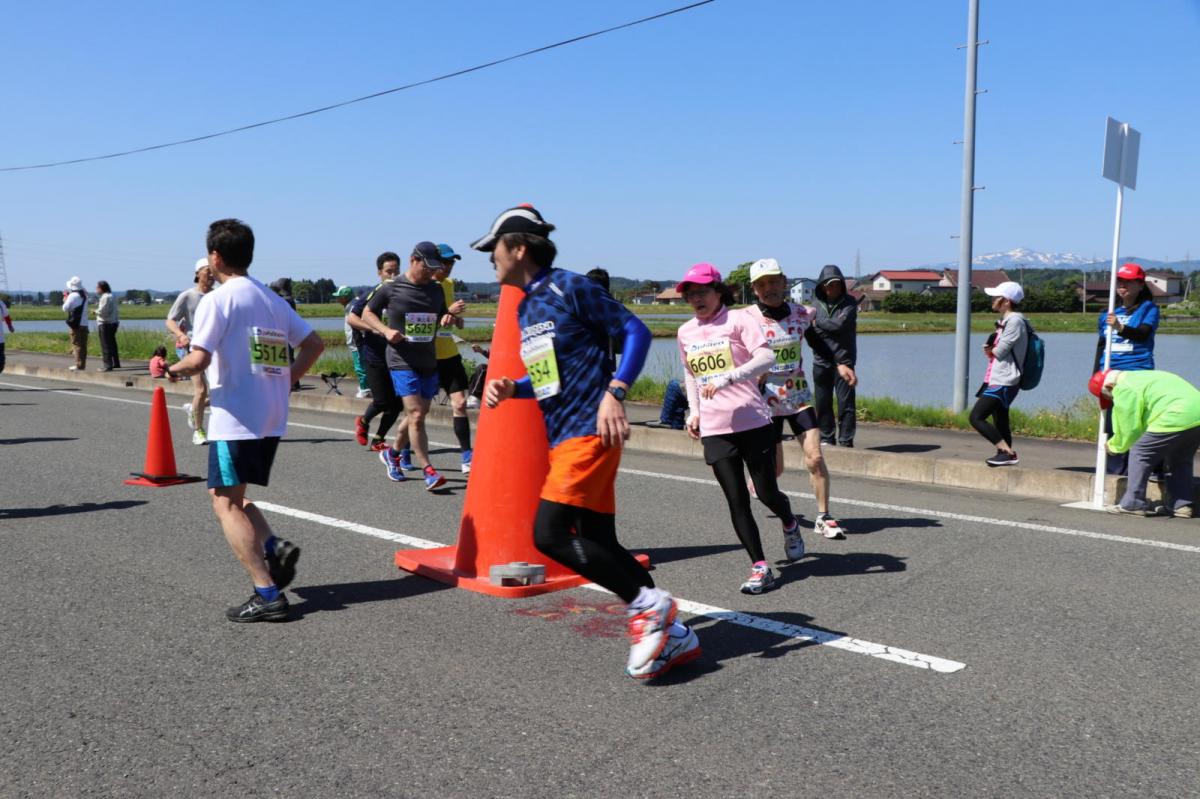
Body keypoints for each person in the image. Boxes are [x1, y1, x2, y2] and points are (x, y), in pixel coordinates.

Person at [479, 204, 698, 680]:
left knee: (549, 535)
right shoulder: (525, 307)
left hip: (589, 428)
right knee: (599, 540)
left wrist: (615, 392)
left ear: (518, 248)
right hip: (563, 434)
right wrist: (512, 387)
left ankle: (649, 606)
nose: (488, 260)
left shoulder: (569, 285)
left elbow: (635, 330)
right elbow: (549, 376)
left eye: (492, 249)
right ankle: (673, 633)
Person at [166, 219, 324, 622]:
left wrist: (170, 369)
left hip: (235, 415)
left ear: (215, 257)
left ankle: (267, 593)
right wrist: (287, 379)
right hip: (270, 415)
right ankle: (274, 548)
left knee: (224, 503)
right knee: (233, 496)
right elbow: (314, 343)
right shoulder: (271, 299)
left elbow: (198, 359)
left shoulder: (218, 300)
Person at [676, 262, 804, 594]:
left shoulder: (739, 320)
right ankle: (760, 567)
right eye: (690, 295)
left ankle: (790, 523)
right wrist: (694, 412)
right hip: (715, 427)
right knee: (736, 499)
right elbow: (691, 374)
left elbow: (765, 359)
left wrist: (729, 377)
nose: (697, 299)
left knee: (765, 493)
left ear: (719, 291)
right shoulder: (685, 332)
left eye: (703, 291)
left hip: (751, 419)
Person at [743, 258, 845, 538]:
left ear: (784, 282)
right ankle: (759, 480)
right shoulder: (746, 317)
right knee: (774, 471)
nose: (769, 288)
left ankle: (824, 517)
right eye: (762, 284)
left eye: (774, 281)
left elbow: (819, 344)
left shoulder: (802, 314)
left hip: (798, 395)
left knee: (814, 457)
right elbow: (736, 355)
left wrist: (841, 364)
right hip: (765, 401)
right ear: (754, 289)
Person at [361, 242, 455, 490]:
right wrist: (385, 330)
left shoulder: (436, 290)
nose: (430, 273)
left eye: (434, 268)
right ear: (414, 260)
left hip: (427, 360)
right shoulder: (391, 288)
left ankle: (392, 453)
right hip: (401, 361)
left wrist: (447, 317)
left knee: (419, 414)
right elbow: (367, 314)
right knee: (415, 415)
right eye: (427, 267)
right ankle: (429, 470)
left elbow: (444, 315)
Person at [1090, 369, 1198, 519]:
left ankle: (1133, 504)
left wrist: (1114, 446)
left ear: (1109, 387)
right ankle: (1181, 505)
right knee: (1179, 460)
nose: (1113, 400)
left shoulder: (1123, 388)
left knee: (1140, 452)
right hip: (1196, 415)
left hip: (1176, 415)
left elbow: (1130, 427)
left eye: (1110, 397)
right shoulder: (1140, 377)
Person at [1093, 262, 1160, 476]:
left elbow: (1142, 333)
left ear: (1140, 285)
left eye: (1129, 282)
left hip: (1137, 372)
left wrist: (1120, 327)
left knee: (1136, 421)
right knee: (1112, 422)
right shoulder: (1108, 313)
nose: (1123, 286)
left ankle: (1147, 467)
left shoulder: (1149, 309)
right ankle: (1115, 470)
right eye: (1120, 281)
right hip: (1111, 374)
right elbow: (1102, 346)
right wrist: (1096, 373)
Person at [968, 281, 1028, 467]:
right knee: (1000, 419)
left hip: (1005, 379)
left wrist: (991, 348)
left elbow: (999, 351)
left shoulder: (1015, 321)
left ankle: (1006, 452)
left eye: (996, 297)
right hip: (999, 377)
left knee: (976, 417)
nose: (993, 300)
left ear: (1007, 301)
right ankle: (1005, 456)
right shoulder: (1005, 321)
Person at [350, 254, 403, 451]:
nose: (393, 275)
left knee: (397, 404)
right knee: (381, 400)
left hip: (398, 356)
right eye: (389, 271)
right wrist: (375, 328)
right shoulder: (373, 294)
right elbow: (352, 319)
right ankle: (363, 422)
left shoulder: (403, 294)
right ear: (380, 273)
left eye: (396, 270)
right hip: (375, 354)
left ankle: (379, 439)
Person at [804, 265, 858, 447]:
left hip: (844, 362)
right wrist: (820, 326)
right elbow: (810, 331)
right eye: (828, 285)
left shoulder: (850, 303)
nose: (831, 288)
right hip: (821, 361)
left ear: (842, 285)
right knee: (822, 403)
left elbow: (839, 326)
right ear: (821, 286)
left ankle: (846, 439)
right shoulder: (815, 305)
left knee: (846, 403)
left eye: (835, 284)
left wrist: (818, 322)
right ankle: (827, 437)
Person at [167, 258, 216, 444]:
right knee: (201, 390)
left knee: (219, 392)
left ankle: (193, 409)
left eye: (213, 271)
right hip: (193, 348)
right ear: (197, 273)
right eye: (207, 271)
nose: (211, 275)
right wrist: (180, 335)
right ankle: (199, 430)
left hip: (214, 350)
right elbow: (170, 320)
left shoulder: (217, 296)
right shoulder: (187, 296)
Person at [333, 285, 371, 399]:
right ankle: (365, 386)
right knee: (363, 365)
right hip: (358, 341)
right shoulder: (353, 304)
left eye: (339, 297)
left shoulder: (352, 306)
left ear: (345, 297)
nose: (337, 299)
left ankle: (365, 390)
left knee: (360, 366)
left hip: (357, 342)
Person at [62, 276, 89, 370]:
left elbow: (65, 308)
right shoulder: (85, 295)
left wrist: (65, 298)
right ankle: (82, 364)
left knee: (76, 344)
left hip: (76, 324)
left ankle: (78, 365)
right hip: (85, 323)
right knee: (83, 345)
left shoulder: (73, 296)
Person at [93, 280, 120, 371]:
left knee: (105, 345)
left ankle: (107, 365)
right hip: (114, 322)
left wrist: (95, 312)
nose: (96, 289)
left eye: (97, 288)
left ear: (101, 288)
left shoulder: (105, 297)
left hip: (105, 323)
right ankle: (116, 362)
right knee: (112, 343)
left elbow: (103, 312)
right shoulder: (113, 295)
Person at [0, 297, 13, 373]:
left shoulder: (1, 304)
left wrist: (10, 326)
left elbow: (6, 316)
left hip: (0, 339)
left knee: (1, 362)